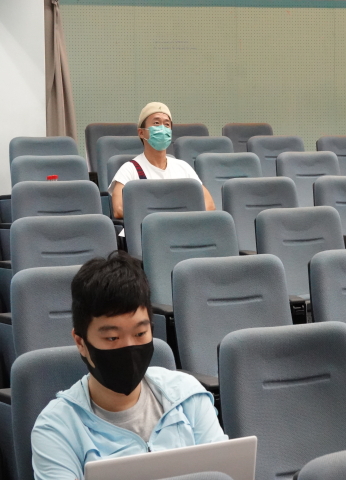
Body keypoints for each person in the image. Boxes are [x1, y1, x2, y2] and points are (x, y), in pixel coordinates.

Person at [31, 252, 227, 480]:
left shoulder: (187, 395)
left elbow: (225, 473)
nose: (129, 347)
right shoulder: (57, 428)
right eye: (112, 338)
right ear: (81, 342)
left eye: (140, 333)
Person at [108, 102, 216, 218]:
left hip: (182, 227)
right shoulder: (130, 169)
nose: (162, 129)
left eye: (167, 124)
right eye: (156, 123)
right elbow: (118, 209)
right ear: (141, 132)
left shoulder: (183, 167)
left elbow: (209, 204)